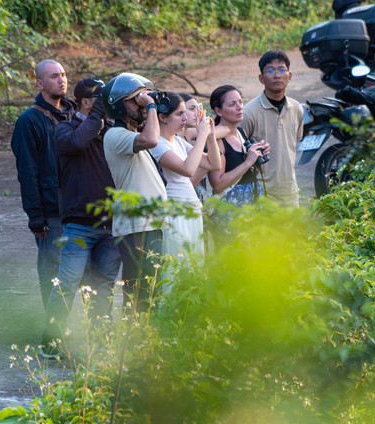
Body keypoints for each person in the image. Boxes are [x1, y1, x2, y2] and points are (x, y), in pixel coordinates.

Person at [39, 78, 121, 357]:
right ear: (86, 101)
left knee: (104, 285)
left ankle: (99, 338)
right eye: (100, 100)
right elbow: (76, 143)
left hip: (110, 225)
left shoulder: (110, 131)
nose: (106, 105)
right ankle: (50, 340)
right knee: (67, 284)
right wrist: (97, 115)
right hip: (78, 226)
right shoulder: (66, 128)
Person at [10, 59, 75, 314]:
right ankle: (52, 337)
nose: (61, 79)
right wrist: (35, 215)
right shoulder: (29, 121)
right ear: (39, 83)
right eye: (53, 76)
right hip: (52, 212)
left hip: (77, 208)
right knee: (53, 275)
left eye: (63, 74)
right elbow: (27, 171)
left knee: (79, 276)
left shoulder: (73, 114)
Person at [101, 73, 165, 311]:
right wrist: (149, 105)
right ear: (118, 105)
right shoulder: (115, 135)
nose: (140, 103)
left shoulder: (130, 135)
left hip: (149, 224)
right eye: (134, 99)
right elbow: (151, 139)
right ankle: (134, 343)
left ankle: (147, 342)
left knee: (153, 292)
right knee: (140, 293)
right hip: (136, 225)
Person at [150, 92, 221, 257]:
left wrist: (211, 137)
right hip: (175, 213)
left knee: (195, 267)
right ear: (163, 117)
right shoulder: (157, 144)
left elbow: (214, 164)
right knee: (178, 267)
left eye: (185, 113)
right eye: (179, 113)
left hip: (191, 212)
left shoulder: (178, 141)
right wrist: (201, 135)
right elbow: (188, 169)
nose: (185, 118)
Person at [241, 50, 304, 207]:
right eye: (270, 70)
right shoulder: (249, 113)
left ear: (289, 76)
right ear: (261, 79)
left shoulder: (296, 109)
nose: (277, 75)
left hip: (290, 193)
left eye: (282, 69)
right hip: (262, 195)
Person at [208, 85, 270, 206]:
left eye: (240, 102)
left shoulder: (241, 132)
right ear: (218, 111)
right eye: (232, 104)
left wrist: (257, 157)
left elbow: (246, 175)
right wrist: (247, 162)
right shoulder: (217, 140)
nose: (239, 108)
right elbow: (218, 185)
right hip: (231, 206)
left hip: (253, 200)